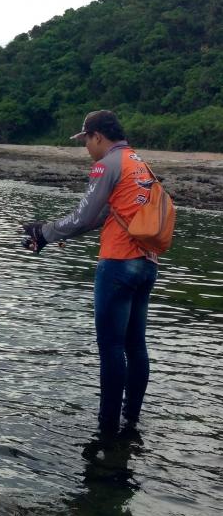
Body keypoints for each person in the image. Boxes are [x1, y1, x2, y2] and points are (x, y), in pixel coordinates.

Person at [22, 110, 158, 437]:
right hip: (147, 263)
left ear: (98, 135)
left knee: (111, 347)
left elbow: (84, 215)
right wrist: (50, 235)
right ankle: (131, 420)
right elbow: (103, 216)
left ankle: (107, 428)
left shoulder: (106, 164)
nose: (86, 148)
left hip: (118, 264)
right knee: (135, 345)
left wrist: (44, 232)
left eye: (86, 140)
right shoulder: (138, 163)